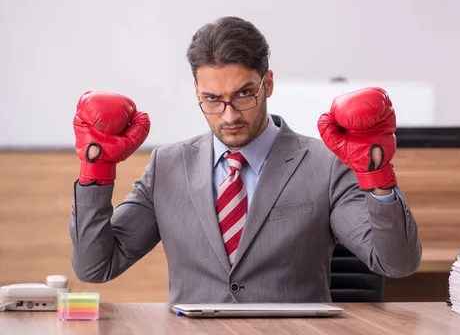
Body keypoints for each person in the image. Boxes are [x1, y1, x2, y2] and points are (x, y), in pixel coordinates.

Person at [70, 16, 422, 303]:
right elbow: (96, 267)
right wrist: (95, 171)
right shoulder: (167, 166)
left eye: (243, 94)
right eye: (211, 99)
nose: (228, 116)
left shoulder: (324, 164)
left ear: (267, 83)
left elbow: (396, 263)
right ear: (196, 91)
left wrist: (378, 175)